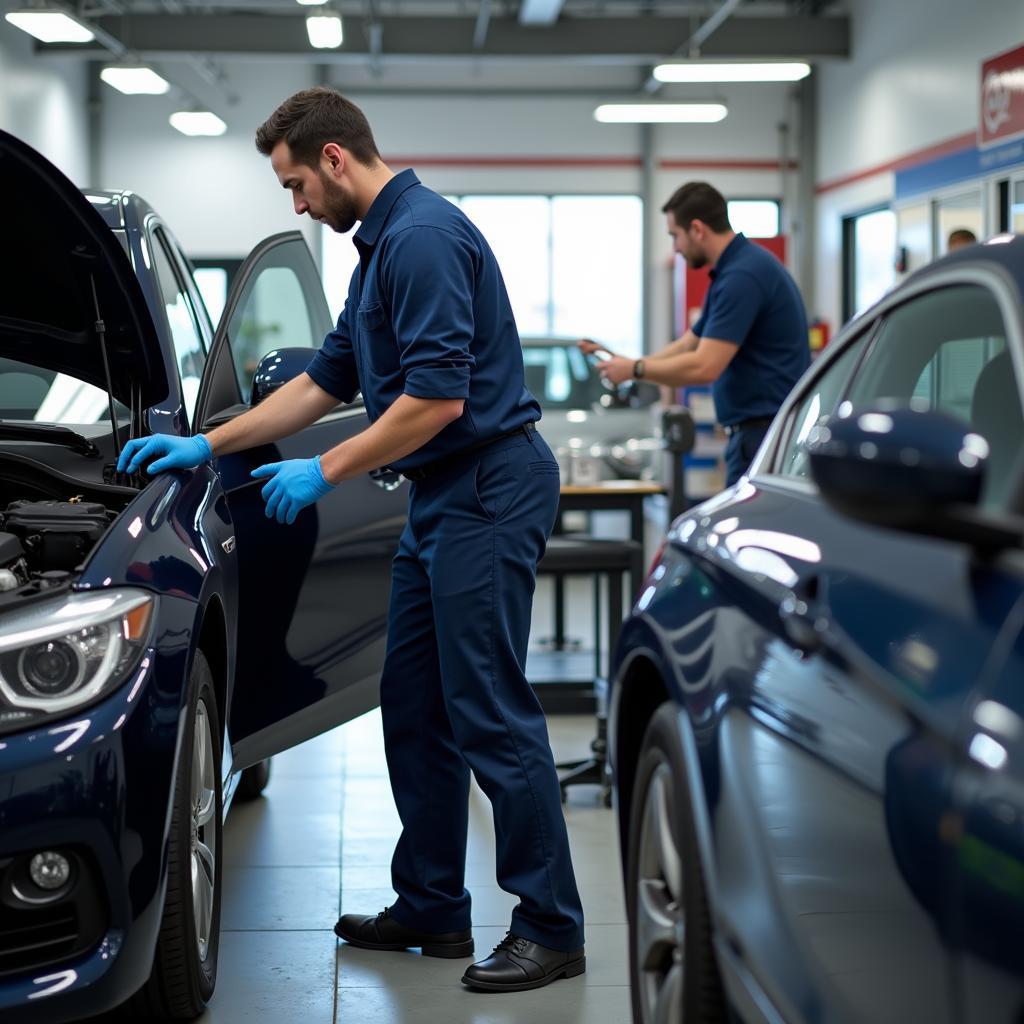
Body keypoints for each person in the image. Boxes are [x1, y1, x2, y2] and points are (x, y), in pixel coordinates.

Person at [117, 86, 585, 994]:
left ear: (335, 158)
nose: (295, 204)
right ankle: (434, 906)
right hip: (442, 495)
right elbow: (326, 381)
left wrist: (322, 474)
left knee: (489, 707)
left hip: (487, 487)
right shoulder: (377, 252)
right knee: (413, 703)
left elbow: (439, 400)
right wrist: (208, 441)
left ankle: (552, 925)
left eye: (295, 184)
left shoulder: (422, 240)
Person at [582, 181, 809, 487]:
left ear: (698, 229)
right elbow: (691, 341)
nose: (675, 248)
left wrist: (635, 370)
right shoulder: (735, 270)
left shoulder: (742, 277)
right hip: (757, 434)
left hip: (762, 436)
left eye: (675, 236)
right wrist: (630, 364)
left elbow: (704, 365)